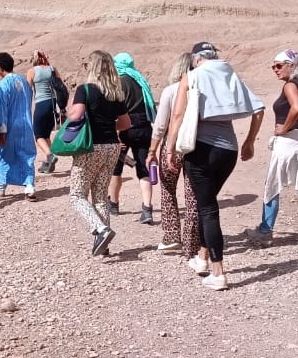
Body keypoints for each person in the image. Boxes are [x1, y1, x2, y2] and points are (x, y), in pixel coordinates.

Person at [163, 42, 265, 291]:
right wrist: (249, 141)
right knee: (204, 202)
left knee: (208, 209)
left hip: (200, 149)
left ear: (196, 59)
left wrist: (170, 148)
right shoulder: (229, 74)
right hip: (228, 150)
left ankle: (218, 272)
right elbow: (259, 109)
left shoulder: (192, 76)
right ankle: (201, 257)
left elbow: (177, 115)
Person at [244, 49, 298, 251]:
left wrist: (285, 127)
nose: (275, 69)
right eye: (273, 66)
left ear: (291, 65)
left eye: (278, 65)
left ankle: (265, 231)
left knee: (273, 185)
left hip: (289, 142)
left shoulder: (291, 85)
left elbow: (297, 107)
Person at [65, 50, 131, 256]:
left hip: (91, 147)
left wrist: (69, 111)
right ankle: (103, 246)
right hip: (112, 147)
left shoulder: (85, 89)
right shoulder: (115, 93)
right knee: (101, 196)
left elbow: (76, 116)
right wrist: (108, 124)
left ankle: (101, 229)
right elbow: (125, 123)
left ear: (91, 68)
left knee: (77, 195)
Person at [147, 52, 201, 263]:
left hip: (173, 144)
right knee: (193, 193)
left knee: (168, 189)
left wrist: (152, 151)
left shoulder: (171, 91)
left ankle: (171, 236)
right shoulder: (201, 89)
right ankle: (192, 241)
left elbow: (161, 125)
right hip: (197, 145)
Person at [108, 52, 157, 225]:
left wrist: (116, 134)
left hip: (125, 127)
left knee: (116, 168)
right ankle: (147, 208)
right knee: (143, 168)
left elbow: (115, 111)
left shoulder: (118, 82)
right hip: (144, 127)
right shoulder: (140, 80)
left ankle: (113, 204)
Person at [0, 52, 36, 199]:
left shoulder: (3, 85)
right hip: (26, 125)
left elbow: (2, 110)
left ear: (0, 68)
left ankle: (0, 188)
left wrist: (1, 132)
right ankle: (29, 188)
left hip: (10, 126)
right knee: (27, 156)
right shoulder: (23, 81)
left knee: (4, 156)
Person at [28, 50, 61, 174]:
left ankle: (50, 155)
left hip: (41, 104)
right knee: (46, 135)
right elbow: (60, 85)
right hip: (53, 104)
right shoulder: (53, 69)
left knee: (38, 135)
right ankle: (49, 164)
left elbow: (28, 90)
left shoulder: (32, 71)